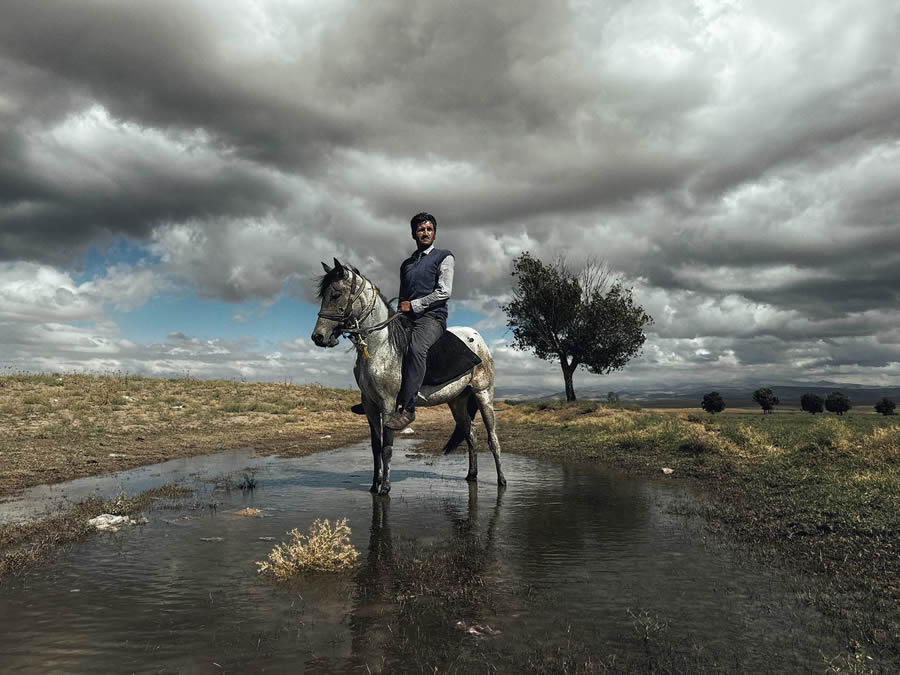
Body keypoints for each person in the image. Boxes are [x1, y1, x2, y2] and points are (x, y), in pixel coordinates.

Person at [378, 212, 454, 430]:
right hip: (408, 317)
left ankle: (408, 409)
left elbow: (444, 292)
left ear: (434, 233)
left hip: (433, 318)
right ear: (414, 234)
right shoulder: (407, 264)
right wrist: (398, 314)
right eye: (421, 229)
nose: (426, 233)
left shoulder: (444, 256)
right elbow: (403, 296)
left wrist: (414, 305)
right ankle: (380, 397)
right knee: (384, 344)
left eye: (430, 229)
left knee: (416, 347)